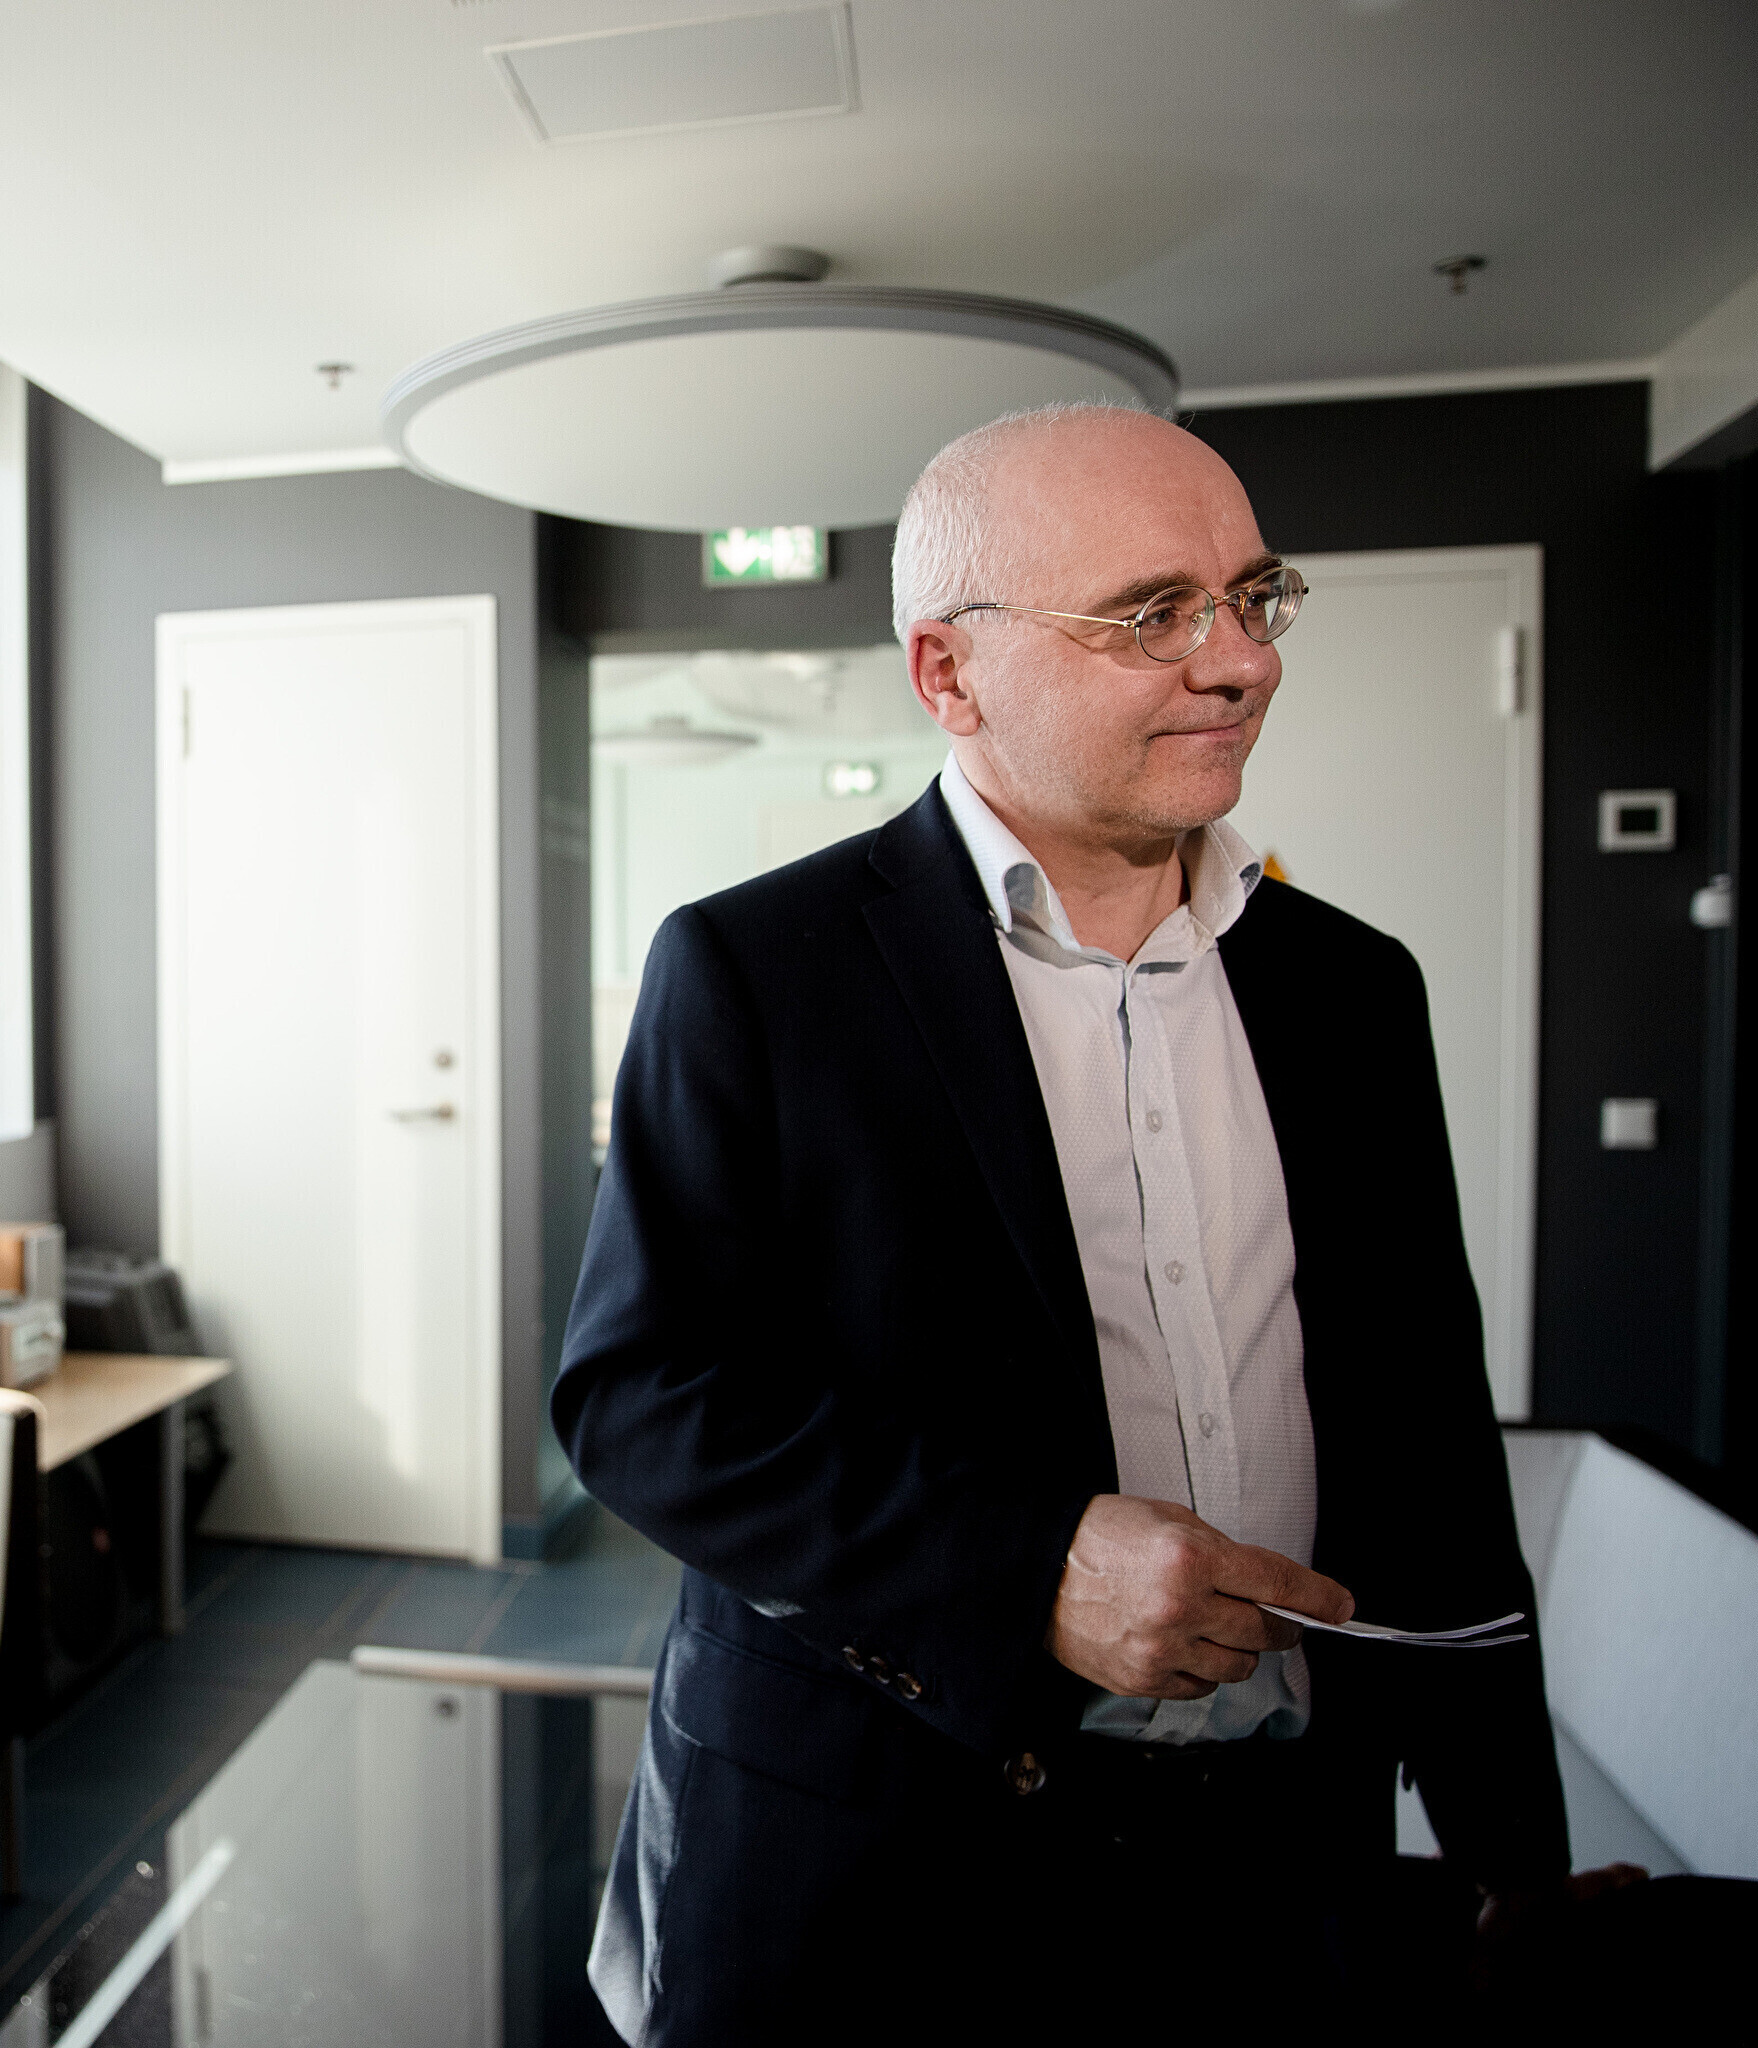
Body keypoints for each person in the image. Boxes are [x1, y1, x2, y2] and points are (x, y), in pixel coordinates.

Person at [558, 403, 1583, 2038]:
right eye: (1153, 614)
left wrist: (1512, 1854)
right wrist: (1027, 1566)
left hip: (1284, 1858)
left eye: (1254, 597)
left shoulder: (1357, 991)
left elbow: (1429, 1438)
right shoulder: (755, 971)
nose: (1241, 661)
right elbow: (641, 1401)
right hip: (891, 1851)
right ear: (949, 674)